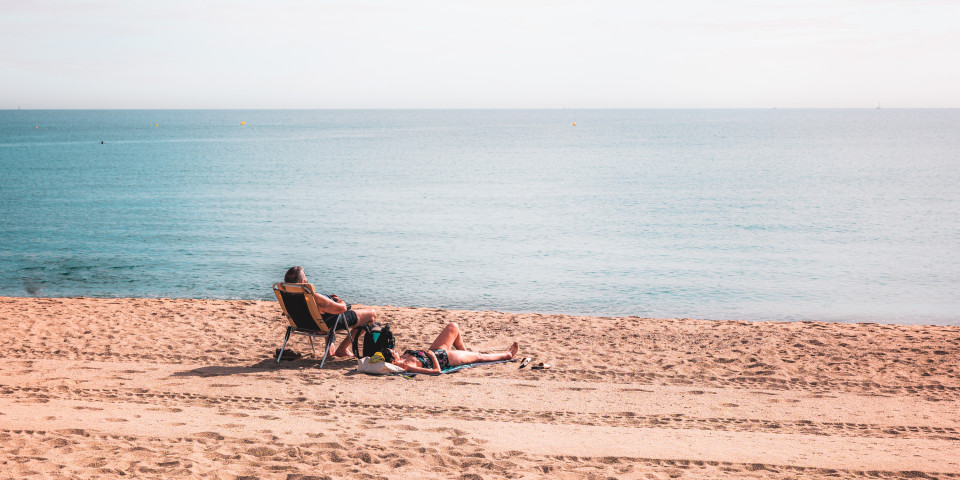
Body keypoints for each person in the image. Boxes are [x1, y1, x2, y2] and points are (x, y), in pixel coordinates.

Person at [284, 266, 377, 358]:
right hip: (321, 327)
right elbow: (342, 309)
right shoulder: (313, 297)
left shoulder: (286, 297)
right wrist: (338, 301)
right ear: (303, 282)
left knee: (325, 314)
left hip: (302, 325)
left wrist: (327, 299)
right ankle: (342, 349)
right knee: (371, 314)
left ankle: (330, 346)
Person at [382, 322, 519, 374]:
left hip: (435, 351)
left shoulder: (401, 359)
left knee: (453, 327)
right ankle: (507, 354)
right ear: (393, 362)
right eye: (392, 353)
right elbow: (436, 371)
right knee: (479, 357)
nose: (394, 350)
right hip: (444, 358)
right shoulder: (407, 366)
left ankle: (466, 355)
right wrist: (433, 357)